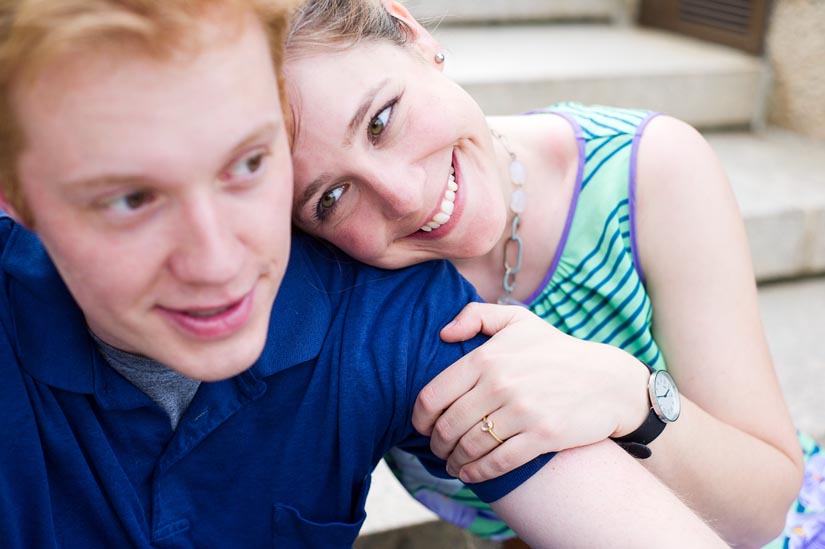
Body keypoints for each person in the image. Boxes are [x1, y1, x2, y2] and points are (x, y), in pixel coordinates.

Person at [0, 0, 731, 547]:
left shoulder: (394, 310)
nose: (218, 264)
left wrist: (633, 395)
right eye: (131, 200)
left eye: (247, 164)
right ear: (16, 200)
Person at [283, 0, 820, 546]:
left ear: (412, 33)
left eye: (381, 119)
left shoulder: (649, 174)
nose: (404, 196)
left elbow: (764, 512)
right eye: (332, 196)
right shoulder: (345, 294)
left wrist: (629, 397)